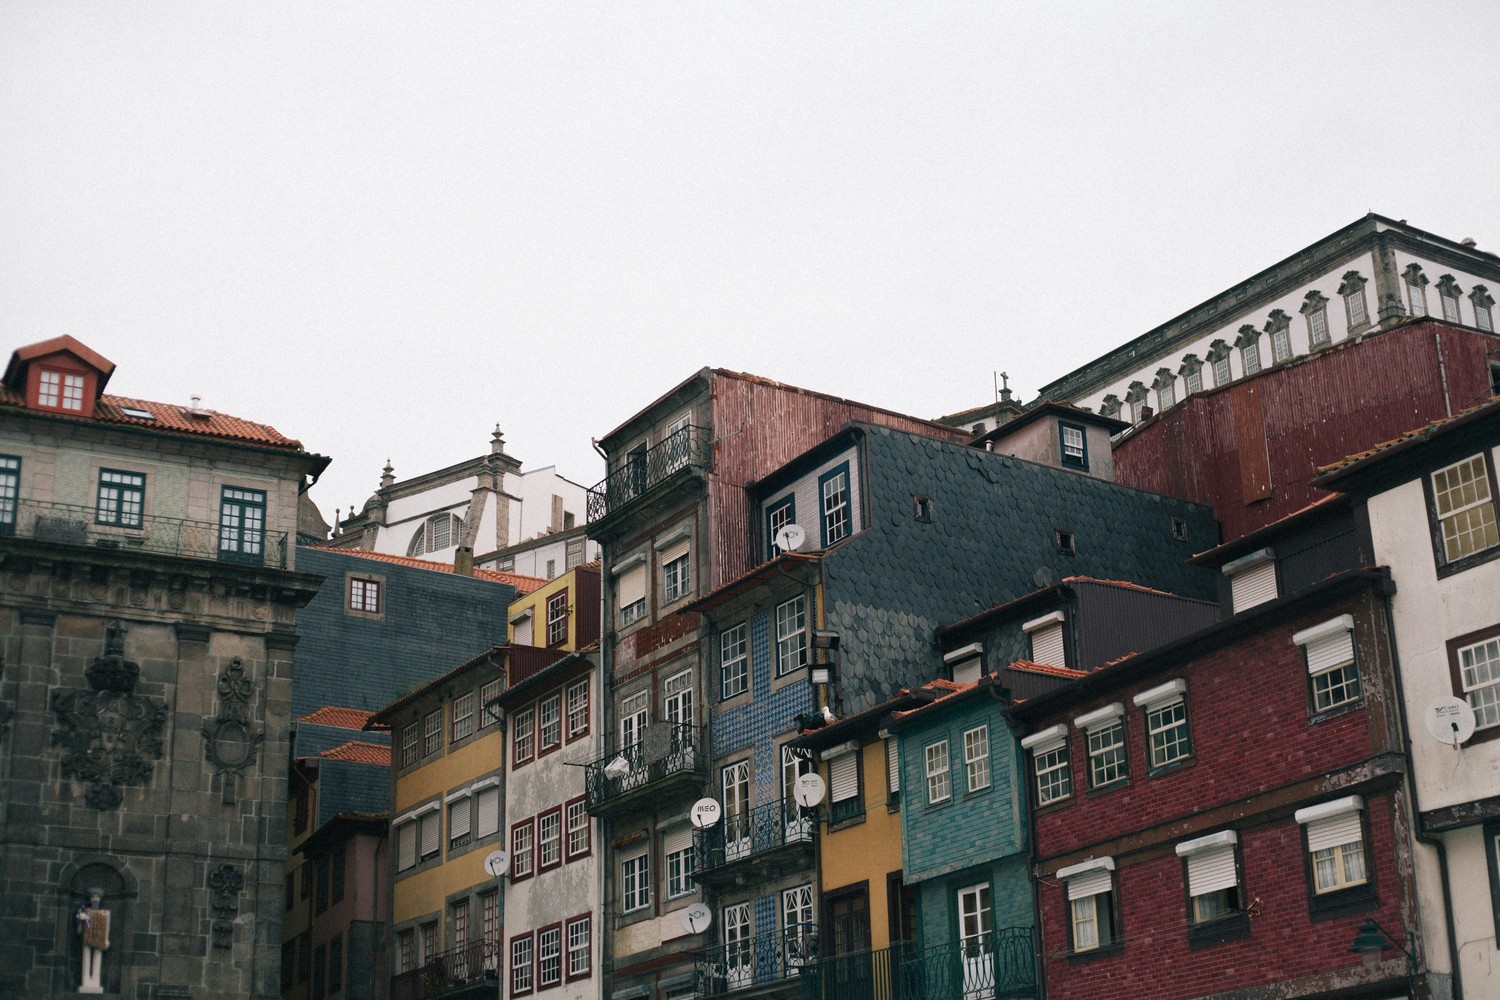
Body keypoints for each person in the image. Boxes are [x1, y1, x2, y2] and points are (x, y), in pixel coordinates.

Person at [75, 887, 110, 994]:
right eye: (93, 897)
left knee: (97, 957)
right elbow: (80, 926)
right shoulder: (85, 912)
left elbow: (107, 926)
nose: (95, 899)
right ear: (90, 900)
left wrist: (106, 939)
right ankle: (85, 981)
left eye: (97, 897)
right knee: (86, 956)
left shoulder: (105, 913)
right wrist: (80, 923)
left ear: (100, 899)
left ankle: (96, 981)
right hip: (87, 937)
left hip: (99, 937)